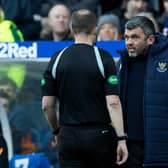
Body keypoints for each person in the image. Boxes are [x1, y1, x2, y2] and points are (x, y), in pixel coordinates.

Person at [41, 9, 128, 168]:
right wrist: (121, 139)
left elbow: (47, 106)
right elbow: (113, 103)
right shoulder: (104, 58)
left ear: (71, 29)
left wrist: (56, 131)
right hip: (99, 136)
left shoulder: (57, 58)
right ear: (95, 28)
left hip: (68, 136)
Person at [117, 16, 168, 168]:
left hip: (159, 146)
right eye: (126, 37)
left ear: (150, 39)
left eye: (135, 37)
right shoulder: (122, 62)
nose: (129, 42)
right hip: (129, 146)